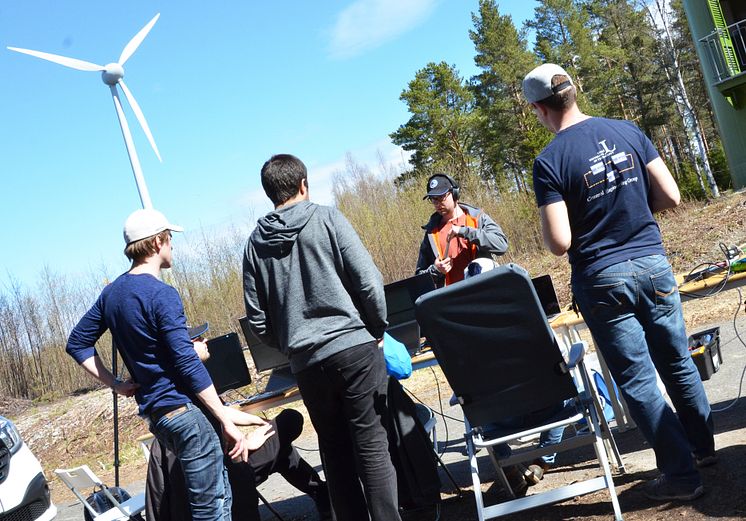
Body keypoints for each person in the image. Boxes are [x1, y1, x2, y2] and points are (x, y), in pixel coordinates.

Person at [523, 63, 715, 501]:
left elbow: (559, 242)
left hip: (603, 277)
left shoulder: (550, 161)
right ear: (575, 90)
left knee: (638, 377)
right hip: (652, 262)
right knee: (678, 360)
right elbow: (671, 196)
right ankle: (704, 450)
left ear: (539, 109)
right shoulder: (627, 131)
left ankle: (683, 477)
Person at [66, 208, 260, 521]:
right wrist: (223, 415)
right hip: (185, 413)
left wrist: (115, 383)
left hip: (160, 417)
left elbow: (77, 343)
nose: (172, 246)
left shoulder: (112, 295)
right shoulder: (161, 294)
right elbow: (184, 362)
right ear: (157, 242)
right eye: (170, 239)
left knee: (215, 500)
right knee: (212, 509)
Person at [243, 154, 402, 521]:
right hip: (354, 348)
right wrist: (376, 327)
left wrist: (291, 345)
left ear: (270, 194)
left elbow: (256, 319)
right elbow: (368, 282)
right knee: (372, 448)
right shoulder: (327, 218)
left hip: (307, 362)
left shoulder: (254, 244)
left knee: (335, 454)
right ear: (303, 185)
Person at [146, 407, 330, 521]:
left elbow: (218, 411)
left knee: (281, 449)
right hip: (227, 476)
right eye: (196, 340)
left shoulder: (171, 406)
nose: (204, 341)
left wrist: (258, 422)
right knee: (289, 420)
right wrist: (247, 444)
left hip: (222, 471)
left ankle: (323, 496)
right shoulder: (190, 387)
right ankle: (324, 496)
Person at [415, 173, 508, 287]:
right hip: (453, 300)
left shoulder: (477, 218)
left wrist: (465, 232)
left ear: (454, 194)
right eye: (433, 200)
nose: (438, 203)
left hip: (485, 292)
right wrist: (436, 270)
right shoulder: (431, 233)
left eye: (441, 197)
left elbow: (501, 245)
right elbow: (419, 278)